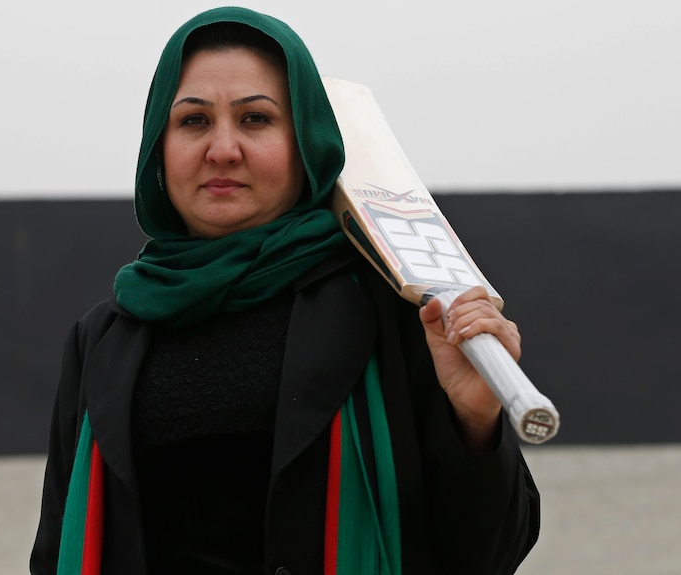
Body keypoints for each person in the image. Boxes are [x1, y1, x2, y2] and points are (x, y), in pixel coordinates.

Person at [30, 6, 539, 575]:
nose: (222, 149)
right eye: (194, 121)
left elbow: (488, 556)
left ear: (307, 144)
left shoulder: (398, 311)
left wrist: (474, 422)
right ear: (158, 144)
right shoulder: (104, 339)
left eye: (256, 120)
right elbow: (56, 554)